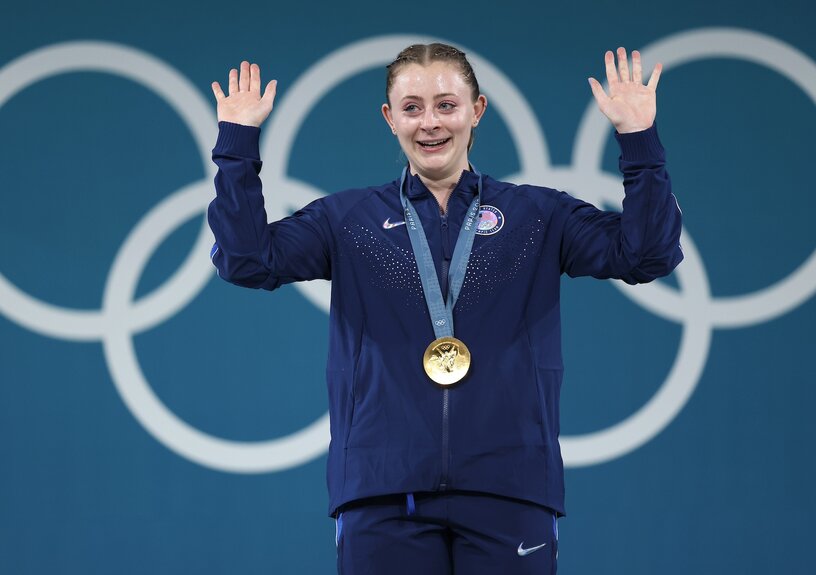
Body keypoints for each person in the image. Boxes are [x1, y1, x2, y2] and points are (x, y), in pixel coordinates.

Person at [208, 43, 682, 575]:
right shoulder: (347, 220)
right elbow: (246, 260)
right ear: (389, 119)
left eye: (446, 105)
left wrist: (639, 141)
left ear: (477, 110)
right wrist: (237, 148)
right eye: (411, 108)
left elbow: (648, 254)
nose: (429, 123)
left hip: (510, 486)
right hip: (383, 491)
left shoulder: (536, 215)